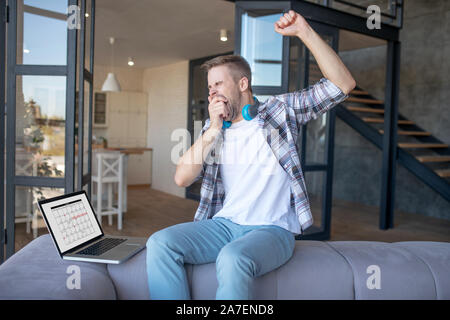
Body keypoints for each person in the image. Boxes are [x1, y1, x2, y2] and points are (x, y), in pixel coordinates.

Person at [146, 10, 356, 300]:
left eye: (218, 84)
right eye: (209, 88)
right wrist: (211, 131)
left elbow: (342, 85)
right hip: (224, 224)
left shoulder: (280, 112)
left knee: (232, 259)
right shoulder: (213, 128)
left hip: (272, 230)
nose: (212, 93)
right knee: (160, 243)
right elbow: (182, 178)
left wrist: (305, 32)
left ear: (242, 84)